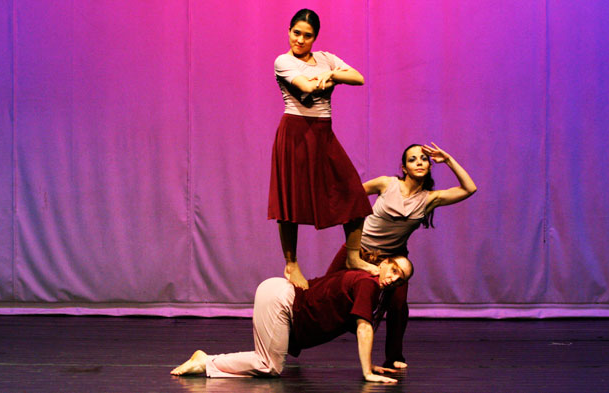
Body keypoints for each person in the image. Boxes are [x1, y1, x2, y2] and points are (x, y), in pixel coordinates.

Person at [326, 142, 477, 369]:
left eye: (423, 159)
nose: (419, 162)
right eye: (413, 159)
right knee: (326, 295)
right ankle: (292, 341)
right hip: (359, 250)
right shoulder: (386, 184)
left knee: (397, 305)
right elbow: (351, 195)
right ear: (404, 167)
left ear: (429, 165)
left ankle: (394, 355)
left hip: (393, 259)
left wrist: (448, 160)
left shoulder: (429, 199)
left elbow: (469, 189)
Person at [171, 255, 414, 383]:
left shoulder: (369, 285)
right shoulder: (367, 284)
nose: (393, 278)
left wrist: (368, 363)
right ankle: (206, 361)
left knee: (269, 362)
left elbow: (361, 326)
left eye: (400, 278)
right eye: (393, 269)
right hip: (282, 300)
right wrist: (367, 373)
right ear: (382, 263)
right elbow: (364, 328)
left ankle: (207, 361)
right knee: (270, 366)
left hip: (281, 298)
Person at [268, 8, 371, 290]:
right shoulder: (283, 61)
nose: (300, 40)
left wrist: (332, 75)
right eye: (296, 33)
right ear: (289, 31)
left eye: (307, 36)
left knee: (353, 192)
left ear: (315, 38)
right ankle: (291, 264)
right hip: (296, 131)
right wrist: (329, 78)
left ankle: (353, 256)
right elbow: (305, 85)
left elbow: (359, 77)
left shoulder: (326, 58)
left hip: (323, 133)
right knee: (291, 202)